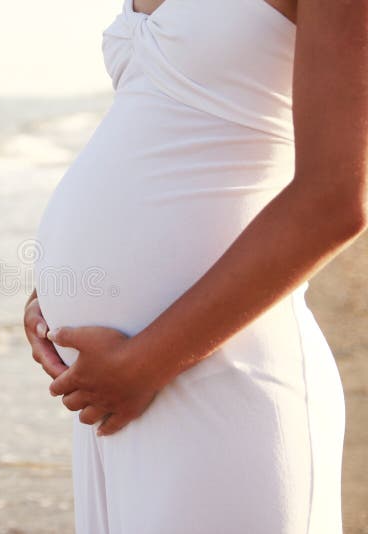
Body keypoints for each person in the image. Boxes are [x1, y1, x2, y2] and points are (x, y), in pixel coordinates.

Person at [22, 0, 367, 532]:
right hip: (116, 387)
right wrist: (61, 286)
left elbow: (333, 201)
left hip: (225, 375)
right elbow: (173, 135)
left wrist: (144, 364)